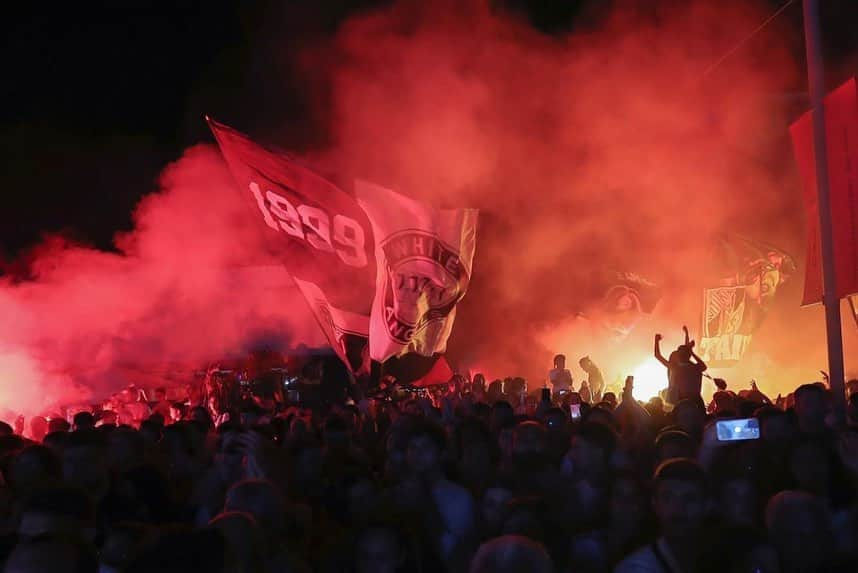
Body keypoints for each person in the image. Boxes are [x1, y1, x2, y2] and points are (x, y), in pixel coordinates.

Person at [615, 459, 708, 573]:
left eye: (690, 498)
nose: (678, 509)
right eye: (668, 498)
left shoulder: (720, 560)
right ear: (655, 504)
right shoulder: (636, 568)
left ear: (706, 505)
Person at [654, 327, 707, 405]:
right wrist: (691, 351)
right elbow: (703, 366)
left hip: (681, 401)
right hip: (695, 401)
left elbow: (657, 355)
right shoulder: (695, 367)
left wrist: (656, 341)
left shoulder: (675, 368)